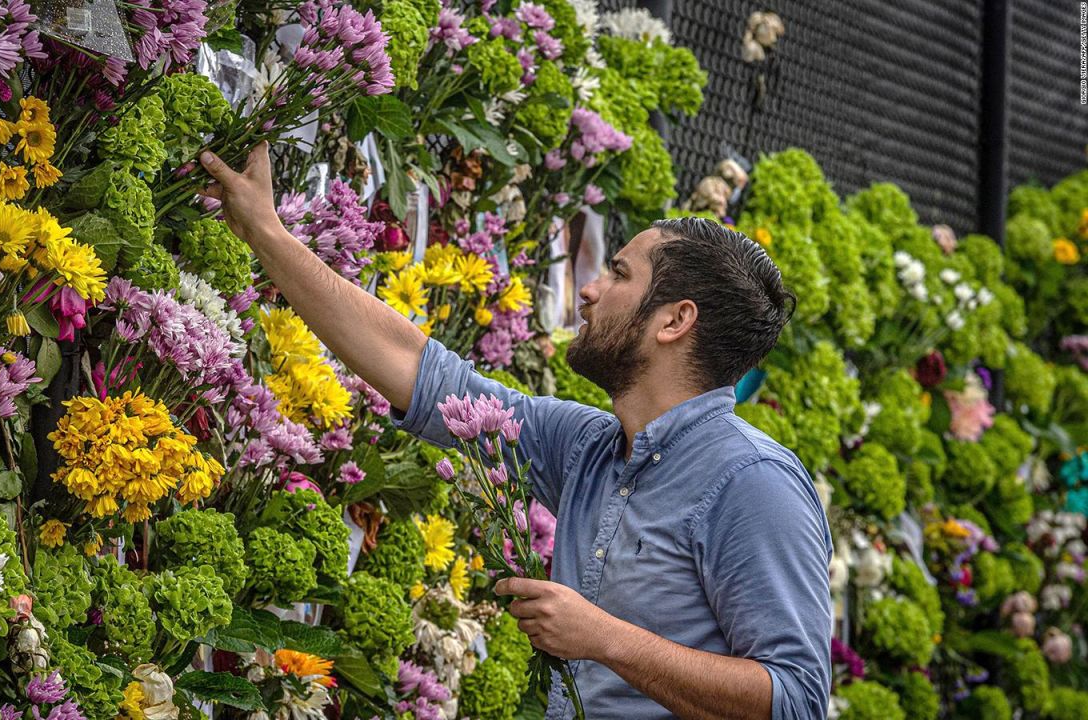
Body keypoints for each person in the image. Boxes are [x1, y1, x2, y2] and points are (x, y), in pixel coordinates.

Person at [199, 143, 833, 720]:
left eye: (618, 273)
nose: (589, 291)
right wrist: (266, 232)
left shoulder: (752, 485)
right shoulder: (588, 446)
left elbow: (797, 701)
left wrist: (604, 637)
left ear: (674, 320)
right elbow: (426, 376)